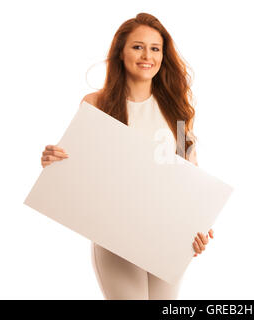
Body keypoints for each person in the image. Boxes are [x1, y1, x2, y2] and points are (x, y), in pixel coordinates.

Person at [40, 12, 214, 300]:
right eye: (137, 46)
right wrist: (54, 161)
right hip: (116, 236)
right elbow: (76, 168)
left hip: (167, 236)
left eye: (155, 48)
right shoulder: (97, 103)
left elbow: (189, 175)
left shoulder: (178, 112)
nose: (147, 55)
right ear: (120, 52)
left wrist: (199, 227)